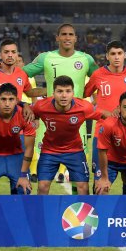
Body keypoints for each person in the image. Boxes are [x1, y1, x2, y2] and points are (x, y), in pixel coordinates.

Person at [23, 23, 98, 188]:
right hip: (50, 117)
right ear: (57, 38)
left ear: (76, 38)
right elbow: (21, 74)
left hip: (77, 118)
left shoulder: (86, 59)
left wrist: (96, 98)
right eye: (63, 34)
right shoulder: (46, 58)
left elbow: (100, 79)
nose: (67, 37)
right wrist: (32, 93)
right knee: (44, 181)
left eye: (70, 34)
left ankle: (77, 207)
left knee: (77, 178)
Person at [84, 40, 126, 194]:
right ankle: (97, 214)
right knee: (100, 184)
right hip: (103, 133)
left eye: (119, 53)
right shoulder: (98, 75)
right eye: (113, 54)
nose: (116, 57)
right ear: (107, 56)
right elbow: (84, 94)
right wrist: (98, 110)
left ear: (125, 55)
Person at [32, 76, 109, 195]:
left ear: (73, 93)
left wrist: (119, 120)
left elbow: (103, 114)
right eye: (60, 91)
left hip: (75, 151)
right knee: (42, 186)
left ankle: (84, 213)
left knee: (83, 187)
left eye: (68, 91)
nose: (64, 95)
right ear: (53, 93)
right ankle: (41, 213)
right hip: (49, 151)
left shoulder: (84, 107)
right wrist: (35, 118)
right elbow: (31, 110)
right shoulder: (41, 106)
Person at [0, 83, 36, 195]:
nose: (7, 103)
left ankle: (16, 212)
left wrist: (23, 175)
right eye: (3, 99)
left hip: (16, 155)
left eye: (11, 99)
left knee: (23, 190)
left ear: (17, 100)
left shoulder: (25, 115)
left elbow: (29, 148)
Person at [17, 54, 39, 183]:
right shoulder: (12, 76)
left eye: (20, 61)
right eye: (17, 61)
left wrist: (36, 116)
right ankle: (19, 171)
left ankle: (33, 172)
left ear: (24, 63)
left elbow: (34, 98)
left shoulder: (29, 78)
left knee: (30, 142)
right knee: (17, 141)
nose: (18, 63)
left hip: (28, 111)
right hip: (16, 111)